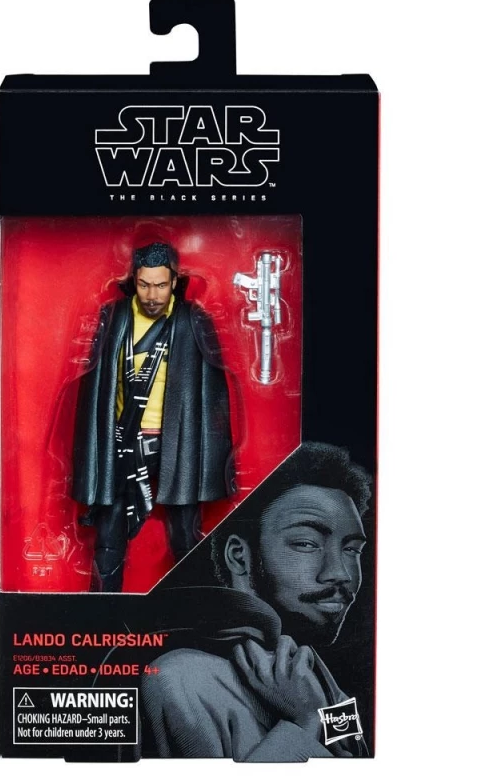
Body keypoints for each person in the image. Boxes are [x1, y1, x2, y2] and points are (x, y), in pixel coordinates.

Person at [139, 442, 371, 760]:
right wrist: (304, 723)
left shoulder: (318, 678)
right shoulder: (181, 679)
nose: (341, 573)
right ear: (239, 556)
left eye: (352, 549)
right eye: (306, 543)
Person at [71, 242, 234, 592]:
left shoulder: (191, 320)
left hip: (176, 442)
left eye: (160, 285)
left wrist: (218, 460)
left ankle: (197, 610)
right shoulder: (115, 317)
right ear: (134, 280)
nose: (152, 295)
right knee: (108, 540)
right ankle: (101, 612)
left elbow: (213, 394)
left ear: (174, 281)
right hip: (123, 441)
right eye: (145, 284)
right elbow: (95, 387)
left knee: (186, 538)